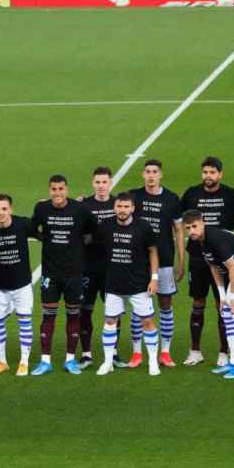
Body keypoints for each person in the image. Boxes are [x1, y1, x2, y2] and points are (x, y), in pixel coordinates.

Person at [184, 210, 234, 381]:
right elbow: (214, 267)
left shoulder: (215, 239)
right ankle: (233, 361)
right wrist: (222, 296)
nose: (191, 231)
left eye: (194, 226)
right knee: (227, 315)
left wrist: (232, 296)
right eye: (188, 228)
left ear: (202, 222)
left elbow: (233, 268)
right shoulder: (200, 241)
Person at [31, 174, 97, 375]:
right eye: (54, 189)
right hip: (50, 273)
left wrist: (77, 244)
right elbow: (33, 229)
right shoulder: (41, 208)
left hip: (74, 273)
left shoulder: (80, 209)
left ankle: (70, 360)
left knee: (73, 315)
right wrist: (47, 240)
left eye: (61, 189)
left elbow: (94, 231)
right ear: (49, 190)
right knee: (48, 316)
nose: (57, 193)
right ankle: (45, 361)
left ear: (66, 190)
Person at [180, 156, 234, 367]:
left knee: (221, 304)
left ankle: (224, 352)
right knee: (197, 301)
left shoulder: (232, 195)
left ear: (220, 174)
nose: (208, 176)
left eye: (212, 172)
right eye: (205, 172)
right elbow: (177, 219)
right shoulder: (191, 194)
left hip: (221, 258)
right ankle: (195, 351)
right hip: (198, 257)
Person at [95, 194, 160, 376]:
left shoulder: (143, 226)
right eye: (119, 206)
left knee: (147, 321)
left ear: (132, 208)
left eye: (126, 206)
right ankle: (108, 362)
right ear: (115, 208)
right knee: (109, 321)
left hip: (139, 284)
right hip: (114, 284)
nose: (122, 210)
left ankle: (153, 362)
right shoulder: (106, 226)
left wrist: (154, 278)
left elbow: (153, 251)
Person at [128, 159, 184, 368]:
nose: (151, 176)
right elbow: (114, 210)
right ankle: (136, 353)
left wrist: (181, 260)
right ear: (143, 175)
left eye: (155, 172)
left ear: (161, 175)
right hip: (138, 262)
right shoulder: (134, 196)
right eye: (148, 172)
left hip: (165, 260)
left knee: (165, 304)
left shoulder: (171, 199)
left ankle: (165, 352)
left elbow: (178, 230)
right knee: (138, 307)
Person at [0, 194, 37, 376]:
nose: (0, 213)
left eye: (4, 209)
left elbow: (44, 234)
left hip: (22, 285)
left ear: (11, 209)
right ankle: (1, 361)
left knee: (24, 321)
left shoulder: (22, 224)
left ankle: (24, 361)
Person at [78, 166, 120, 370]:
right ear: (92, 183)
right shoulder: (83, 205)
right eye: (98, 182)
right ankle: (86, 354)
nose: (101, 186)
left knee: (113, 311)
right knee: (85, 310)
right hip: (87, 267)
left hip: (113, 267)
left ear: (110, 183)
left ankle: (114, 352)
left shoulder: (118, 204)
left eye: (105, 182)